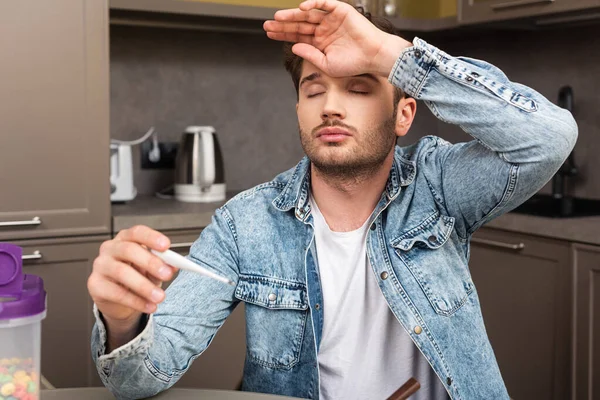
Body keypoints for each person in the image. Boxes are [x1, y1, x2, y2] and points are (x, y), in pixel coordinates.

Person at [87, 1, 578, 399]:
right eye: (313, 89)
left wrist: (394, 55)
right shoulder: (245, 224)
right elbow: (136, 381)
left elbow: (549, 137)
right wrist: (121, 317)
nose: (331, 106)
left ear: (404, 113)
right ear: (299, 107)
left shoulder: (438, 184)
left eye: (360, 88)